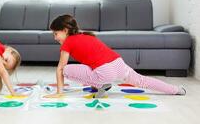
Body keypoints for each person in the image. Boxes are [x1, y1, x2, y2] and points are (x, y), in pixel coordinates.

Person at [45, 14, 186, 98]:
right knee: (142, 80)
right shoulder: (85, 36)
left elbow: (60, 69)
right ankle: (176, 90)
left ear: (65, 30)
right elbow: (94, 59)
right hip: (118, 63)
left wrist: (59, 92)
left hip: (106, 72)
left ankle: (102, 84)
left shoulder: (68, 43)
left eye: (56, 34)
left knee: (66, 70)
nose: (54, 38)